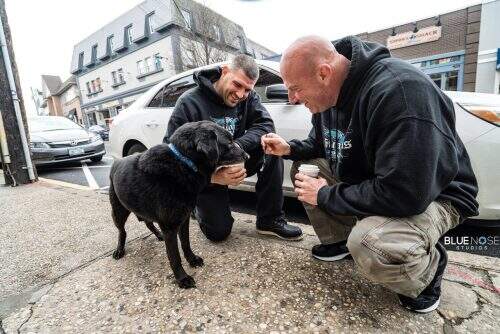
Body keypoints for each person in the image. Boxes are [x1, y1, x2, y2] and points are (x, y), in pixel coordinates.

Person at [261, 35, 479, 313]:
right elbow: (321, 145)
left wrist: (326, 195)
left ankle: (427, 273)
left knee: (371, 243)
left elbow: (405, 194)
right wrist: (288, 148)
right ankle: (338, 242)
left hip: (436, 195)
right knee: (306, 168)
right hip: (379, 182)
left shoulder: (400, 93)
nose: (292, 99)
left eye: (295, 89)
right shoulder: (329, 97)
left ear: (324, 73)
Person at [163, 54, 303, 242]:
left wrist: (236, 146)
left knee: (271, 146)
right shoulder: (189, 103)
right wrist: (212, 176)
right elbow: (171, 158)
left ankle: (269, 220)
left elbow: (265, 125)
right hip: (208, 173)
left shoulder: (248, 97)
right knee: (219, 233)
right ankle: (197, 207)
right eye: (237, 85)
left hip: (237, 159)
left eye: (247, 89)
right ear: (225, 72)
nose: (240, 95)